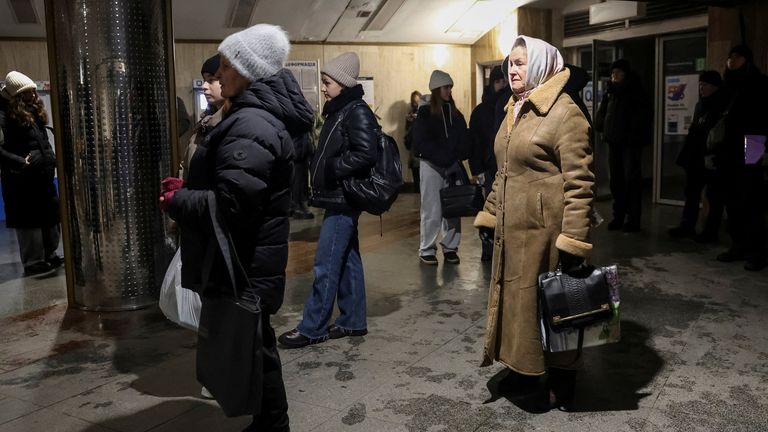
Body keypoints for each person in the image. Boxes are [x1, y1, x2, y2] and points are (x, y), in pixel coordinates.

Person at [162, 24, 314, 431]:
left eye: (227, 65)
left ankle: (273, 425)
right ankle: (270, 423)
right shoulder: (249, 116)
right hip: (248, 259)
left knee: (256, 349)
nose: (219, 73)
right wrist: (189, 189)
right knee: (256, 347)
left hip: (246, 261)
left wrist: (179, 201)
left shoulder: (252, 124)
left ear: (249, 70)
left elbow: (232, 205)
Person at [473, 36, 595, 411]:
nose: (513, 70)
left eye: (521, 63)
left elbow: (580, 184)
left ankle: (563, 379)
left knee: (555, 308)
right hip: (514, 231)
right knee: (518, 305)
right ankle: (523, 368)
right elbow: (504, 172)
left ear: (541, 64)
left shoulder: (565, 112)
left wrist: (574, 242)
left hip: (547, 234)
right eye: (510, 63)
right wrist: (491, 213)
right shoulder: (514, 108)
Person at [278, 52, 378, 348]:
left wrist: (333, 168)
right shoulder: (341, 109)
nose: (323, 87)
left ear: (343, 83)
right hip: (338, 196)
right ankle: (353, 320)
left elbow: (366, 153)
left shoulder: (356, 111)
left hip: (343, 197)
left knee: (326, 262)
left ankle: (313, 327)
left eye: (327, 82)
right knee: (347, 258)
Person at [0, 71, 62, 275]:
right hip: (22, 180)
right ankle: (33, 261)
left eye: (34, 91)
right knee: (29, 223)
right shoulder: (4, 114)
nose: (34, 95)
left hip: (42, 176)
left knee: (50, 218)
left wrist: (50, 157)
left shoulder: (34, 111)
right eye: (29, 92)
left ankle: (50, 254)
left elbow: (42, 141)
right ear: (18, 95)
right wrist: (21, 162)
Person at [713, 45, 768, 271]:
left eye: (737, 57)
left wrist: (759, 151)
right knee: (732, 198)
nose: (732, 60)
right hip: (730, 147)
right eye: (730, 57)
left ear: (747, 60)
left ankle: (757, 250)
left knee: (751, 197)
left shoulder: (759, 83)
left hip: (753, 142)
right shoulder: (728, 85)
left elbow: (763, 118)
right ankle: (739, 244)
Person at [412, 70, 468, 265]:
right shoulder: (425, 113)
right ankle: (427, 248)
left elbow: (463, 138)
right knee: (431, 209)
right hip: (431, 166)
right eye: (446, 87)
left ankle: (450, 247)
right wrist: (445, 158)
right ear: (436, 89)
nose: (449, 91)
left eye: (450, 87)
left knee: (453, 208)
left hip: (451, 166)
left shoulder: (456, 114)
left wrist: (458, 156)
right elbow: (420, 142)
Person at [668, 71, 727, 241]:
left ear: (715, 87)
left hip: (713, 157)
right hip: (696, 157)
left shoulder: (722, 106)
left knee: (714, 196)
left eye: (705, 85)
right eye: (700, 85)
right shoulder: (700, 105)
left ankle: (710, 231)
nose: (702, 88)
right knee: (692, 192)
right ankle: (687, 226)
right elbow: (695, 130)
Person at [596, 58, 650, 232]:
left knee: (631, 181)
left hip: (629, 143)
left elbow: (641, 117)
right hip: (614, 141)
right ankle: (618, 216)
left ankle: (633, 219)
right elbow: (604, 113)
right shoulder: (610, 92)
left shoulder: (634, 91)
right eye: (613, 73)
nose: (614, 76)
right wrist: (601, 125)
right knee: (616, 181)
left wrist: (632, 135)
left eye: (618, 72)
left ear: (626, 74)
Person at [468, 65, 506, 262]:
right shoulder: (481, 112)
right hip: (490, 169)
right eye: (498, 81)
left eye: (504, 81)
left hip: (509, 167)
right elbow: (475, 143)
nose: (502, 85)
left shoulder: (512, 106)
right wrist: (477, 170)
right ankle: (489, 249)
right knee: (490, 210)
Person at [178, 54, 225, 181]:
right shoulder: (205, 122)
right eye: (204, 80)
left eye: (211, 80)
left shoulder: (231, 122)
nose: (204, 86)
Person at [290, 130, 314, 219]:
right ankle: (296, 206)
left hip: (301, 152)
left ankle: (298, 204)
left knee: (302, 180)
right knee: (297, 180)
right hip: (297, 152)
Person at [404, 90, 422, 191]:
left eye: (417, 102)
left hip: (422, 150)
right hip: (414, 149)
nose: (415, 104)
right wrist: (409, 121)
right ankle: (417, 191)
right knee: (416, 175)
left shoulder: (425, 113)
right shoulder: (411, 113)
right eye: (414, 102)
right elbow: (407, 132)